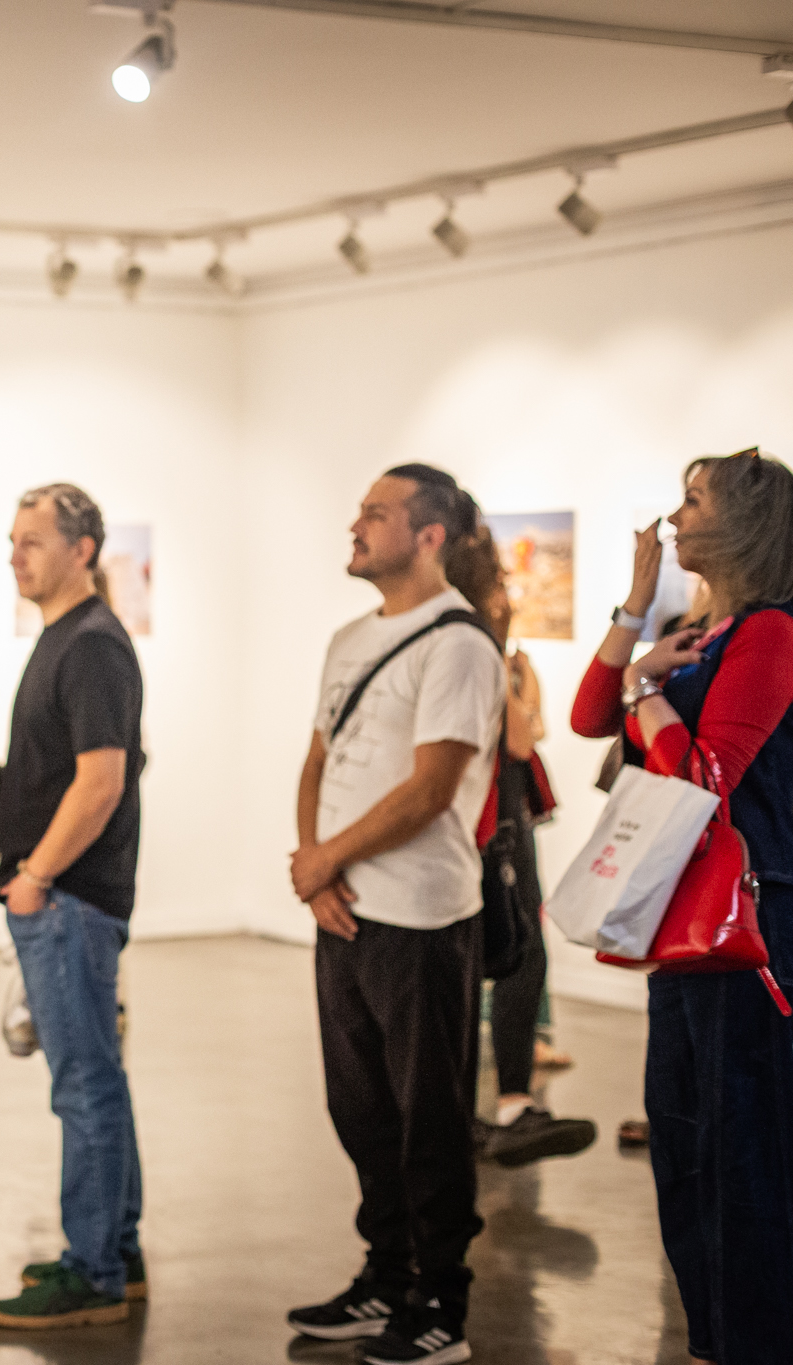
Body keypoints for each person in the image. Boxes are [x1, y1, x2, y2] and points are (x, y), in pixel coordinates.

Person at [567, 449, 793, 1365]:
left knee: (743, 1154)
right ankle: (712, 1337)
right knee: (686, 1145)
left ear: (744, 521)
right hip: (686, 928)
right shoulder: (701, 626)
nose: (673, 515)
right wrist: (633, 610)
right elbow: (590, 716)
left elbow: (704, 776)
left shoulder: (772, 634)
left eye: (692, 500)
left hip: (754, 923)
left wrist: (647, 690)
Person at [285, 465, 503, 1365]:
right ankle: (386, 1274)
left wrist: (329, 858)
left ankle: (441, 1298)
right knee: (361, 1107)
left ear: (429, 535)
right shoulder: (348, 638)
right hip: (343, 914)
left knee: (430, 1115)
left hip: (421, 917)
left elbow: (431, 788)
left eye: (376, 513)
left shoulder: (459, 645)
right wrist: (315, 868)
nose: (356, 524)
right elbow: (318, 763)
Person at [0, 484, 149, 1331]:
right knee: (97, 1080)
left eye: (33, 540)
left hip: (70, 901)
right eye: (12, 540)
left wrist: (36, 874)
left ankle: (94, 1273)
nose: (16, 554)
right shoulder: (66, 637)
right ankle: (114, 1246)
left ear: (82, 548)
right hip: (62, 898)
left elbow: (101, 779)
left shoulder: (90, 646)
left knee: (83, 1086)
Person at [442, 527, 596, 1168]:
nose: (510, 595)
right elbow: (523, 739)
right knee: (514, 958)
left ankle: (487, 1111)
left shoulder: (462, 649)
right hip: (492, 835)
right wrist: (518, 689)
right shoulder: (476, 651)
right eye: (502, 584)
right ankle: (504, 1108)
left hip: (491, 829)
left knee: (496, 961)